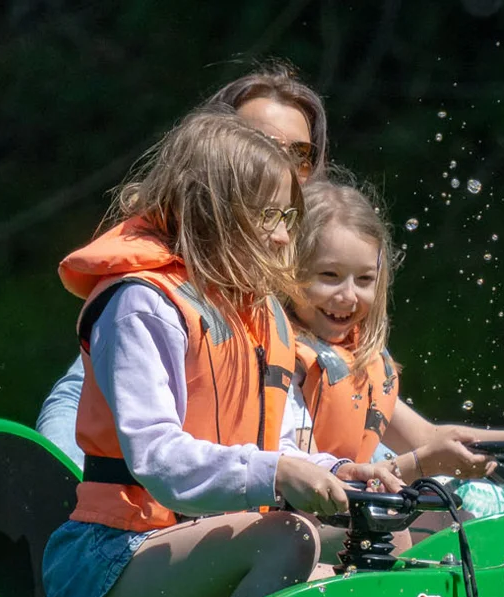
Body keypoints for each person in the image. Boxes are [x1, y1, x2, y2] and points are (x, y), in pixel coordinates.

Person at [41, 108, 396, 597]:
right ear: (213, 210)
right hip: (110, 554)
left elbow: (266, 445)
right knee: (287, 538)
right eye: (269, 216)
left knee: (369, 557)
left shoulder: (253, 315)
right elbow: (158, 457)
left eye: (288, 218)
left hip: (195, 543)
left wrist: (336, 470)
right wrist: (278, 474)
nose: (284, 238)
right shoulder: (143, 304)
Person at [38, 64, 331, 465]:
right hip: (147, 486)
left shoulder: (333, 258)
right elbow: (99, 411)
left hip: (239, 479)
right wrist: (69, 481)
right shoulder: (147, 298)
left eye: (299, 155)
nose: (276, 164)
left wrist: (348, 470)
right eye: (260, 143)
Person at [283, 177, 503, 481]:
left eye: (364, 280)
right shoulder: (284, 361)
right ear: (289, 269)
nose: (349, 296)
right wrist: (424, 465)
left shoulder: (358, 358)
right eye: (330, 275)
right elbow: (306, 478)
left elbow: (429, 437)